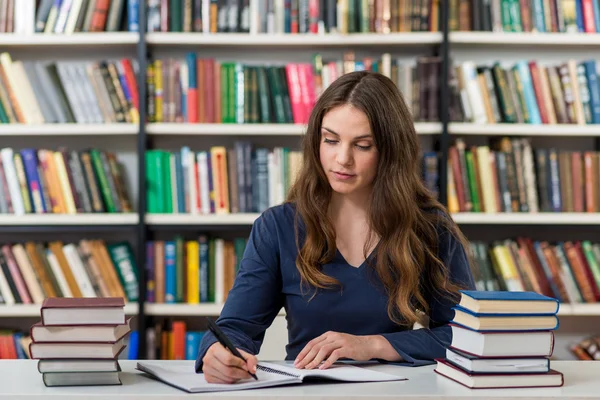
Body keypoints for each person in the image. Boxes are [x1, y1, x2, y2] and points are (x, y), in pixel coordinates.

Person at [195, 70, 475, 384]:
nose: (342, 159)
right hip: (306, 390)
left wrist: (371, 344)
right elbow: (234, 329)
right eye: (330, 140)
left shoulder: (430, 228)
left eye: (363, 146)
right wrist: (217, 352)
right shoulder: (277, 227)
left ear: (391, 152)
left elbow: (465, 337)